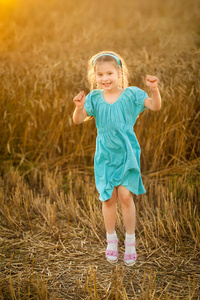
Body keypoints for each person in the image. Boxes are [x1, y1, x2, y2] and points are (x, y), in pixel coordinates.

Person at [72, 51, 161, 266]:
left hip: (127, 152)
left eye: (110, 73)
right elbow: (77, 120)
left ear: (120, 72)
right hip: (105, 155)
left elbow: (155, 106)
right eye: (100, 74)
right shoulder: (94, 97)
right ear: (95, 76)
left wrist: (154, 90)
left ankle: (130, 241)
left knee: (125, 196)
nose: (105, 78)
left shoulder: (131, 94)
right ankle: (111, 239)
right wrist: (79, 108)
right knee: (108, 198)